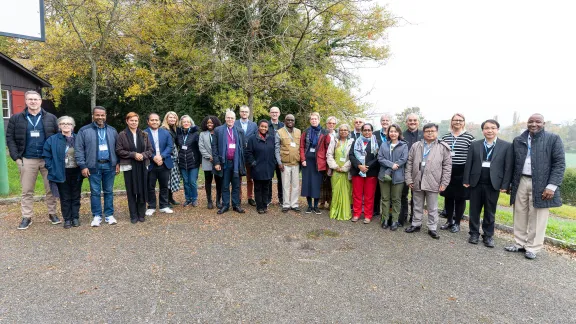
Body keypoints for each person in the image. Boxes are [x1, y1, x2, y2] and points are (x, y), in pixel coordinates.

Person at [505, 114, 565, 259]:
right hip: (521, 180)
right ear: (527, 123)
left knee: (538, 215)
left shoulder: (553, 139)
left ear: (543, 123)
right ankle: (519, 243)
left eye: (537, 122)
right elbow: (512, 163)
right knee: (519, 212)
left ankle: (533, 247)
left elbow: (559, 164)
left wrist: (551, 186)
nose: (534, 124)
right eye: (531, 121)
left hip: (542, 183)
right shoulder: (519, 140)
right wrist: (510, 183)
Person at [6, 90, 60, 230]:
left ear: (40, 101)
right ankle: (27, 217)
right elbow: (10, 138)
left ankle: (52, 214)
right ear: (26, 101)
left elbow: (58, 137)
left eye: (36, 99)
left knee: (50, 189)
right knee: (27, 190)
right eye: (30, 99)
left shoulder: (51, 118)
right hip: (27, 159)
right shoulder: (16, 118)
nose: (33, 102)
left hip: (47, 160)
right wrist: (16, 157)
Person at [463, 119, 513, 247]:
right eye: (486, 128)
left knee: (490, 211)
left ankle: (488, 235)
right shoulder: (475, 144)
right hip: (476, 182)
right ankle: (474, 233)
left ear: (497, 130)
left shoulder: (506, 146)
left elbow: (508, 167)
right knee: (474, 210)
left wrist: (505, 185)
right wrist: (466, 179)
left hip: (493, 184)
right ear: (483, 130)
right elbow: (469, 163)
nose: (489, 130)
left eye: (492, 128)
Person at [404, 123, 452, 239]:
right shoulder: (416, 146)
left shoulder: (443, 147)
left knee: (432, 207)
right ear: (423, 133)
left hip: (434, 181)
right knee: (417, 205)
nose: (430, 133)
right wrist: (409, 179)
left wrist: (444, 183)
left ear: (437, 132)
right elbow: (409, 163)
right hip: (417, 180)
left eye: (432, 131)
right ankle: (416, 224)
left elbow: (447, 166)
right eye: (427, 131)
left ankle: (432, 228)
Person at [75, 106, 120, 227]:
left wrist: (118, 163)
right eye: (97, 115)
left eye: (102, 115)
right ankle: (97, 216)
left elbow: (118, 148)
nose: (100, 117)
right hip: (93, 166)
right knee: (95, 192)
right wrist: (83, 166)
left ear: (105, 116)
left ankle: (109, 215)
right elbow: (79, 150)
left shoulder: (112, 130)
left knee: (109, 191)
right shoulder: (84, 131)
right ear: (93, 116)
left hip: (109, 166)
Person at [42, 116, 83, 229]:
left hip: (76, 171)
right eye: (63, 123)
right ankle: (67, 219)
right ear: (59, 126)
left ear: (73, 126)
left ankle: (75, 217)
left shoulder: (78, 138)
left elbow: (84, 152)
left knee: (75, 196)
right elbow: (47, 155)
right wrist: (51, 168)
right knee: (65, 197)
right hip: (60, 172)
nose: (66, 125)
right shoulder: (52, 140)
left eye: (69, 124)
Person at [439, 113, 475, 233]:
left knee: (460, 198)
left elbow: (472, 157)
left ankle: (457, 223)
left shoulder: (469, 138)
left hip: (462, 171)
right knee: (448, 197)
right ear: (451, 122)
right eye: (455, 120)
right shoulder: (445, 137)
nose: (457, 122)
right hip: (447, 170)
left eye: (460, 120)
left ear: (464, 122)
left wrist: (469, 176)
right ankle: (449, 221)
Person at [116, 112, 153, 223]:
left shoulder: (144, 134)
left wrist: (143, 155)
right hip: (129, 166)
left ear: (138, 121)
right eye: (131, 120)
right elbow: (119, 150)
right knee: (131, 191)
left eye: (136, 120)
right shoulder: (122, 134)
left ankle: (141, 214)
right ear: (127, 121)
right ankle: (133, 215)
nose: (134, 122)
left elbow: (150, 150)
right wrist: (133, 154)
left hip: (142, 165)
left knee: (142, 189)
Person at [212, 110, 247, 214]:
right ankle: (225, 205)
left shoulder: (240, 131)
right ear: (225, 118)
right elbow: (214, 147)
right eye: (228, 117)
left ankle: (236, 205)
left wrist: (242, 162)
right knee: (225, 185)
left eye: (232, 118)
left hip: (236, 164)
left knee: (236, 185)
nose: (230, 120)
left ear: (235, 119)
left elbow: (243, 149)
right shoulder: (218, 130)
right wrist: (216, 162)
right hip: (224, 163)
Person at [377, 124, 408, 231]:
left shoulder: (404, 145)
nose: (393, 133)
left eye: (395, 131)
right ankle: (385, 219)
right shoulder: (384, 145)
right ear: (388, 133)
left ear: (399, 133)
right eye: (391, 131)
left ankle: (394, 220)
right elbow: (380, 158)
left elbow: (404, 159)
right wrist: (391, 165)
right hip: (384, 176)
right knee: (385, 199)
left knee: (396, 199)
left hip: (398, 176)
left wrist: (395, 165)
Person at [349, 123, 381, 224]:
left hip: (370, 172)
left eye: (369, 130)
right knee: (357, 194)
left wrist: (368, 166)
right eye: (365, 130)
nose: (367, 132)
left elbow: (378, 157)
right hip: (357, 171)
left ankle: (368, 215)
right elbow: (351, 155)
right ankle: (357, 213)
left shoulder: (377, 142)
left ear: (372, 131)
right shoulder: (356, 141)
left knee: (369, 195)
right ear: (362, 131)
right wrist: (359, 165)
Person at [300, 112, 331, 214]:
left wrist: (327, 163)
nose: (313, 120)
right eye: (312, 119)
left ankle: (316, 206)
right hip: (307, 162)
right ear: (310, 120)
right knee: (308, 183)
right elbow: (301, 146)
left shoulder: (324, 132)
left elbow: (327, 148)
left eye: (315, 119)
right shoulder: (306, 131)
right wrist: (303, 159)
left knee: (317, 184)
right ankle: (309, 206)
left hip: (319, 162)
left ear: (319, 120)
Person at [145, 113, 174, 216]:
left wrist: (161, 157)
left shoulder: (165, 133)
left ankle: (164, 205)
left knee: (164, 186)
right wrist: (153, 157)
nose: (154, 122)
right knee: (150, 186)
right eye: (152, 120)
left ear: (159, 121)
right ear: (148, 122)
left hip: (164, 163)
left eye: (156, 120)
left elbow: (170, 147)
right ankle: (151, 206)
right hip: (151, 164)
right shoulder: (143, 133)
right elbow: (143, 148)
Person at [245, 120, 278, 213]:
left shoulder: (271, 138)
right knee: (258, 188)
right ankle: (259, 206)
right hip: (257, 167)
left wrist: (273, 162)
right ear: (258, 127)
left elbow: (275, 152)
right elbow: (248, 152)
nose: (264, 128)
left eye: (265, 127)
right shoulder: (252, 139)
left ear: (268, 128)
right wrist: (253, 162)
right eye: (262, 126)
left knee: (266, 187)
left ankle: (265, 205)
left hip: (268, 167)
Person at [326, 124, 353, 221]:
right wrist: (335, 167)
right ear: (338, 131)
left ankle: (345, 212)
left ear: (348, 132)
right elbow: (329, 154)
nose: (343, 131)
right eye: (341, 130)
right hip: (336, 171)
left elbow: (353, 156)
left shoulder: (352, 142)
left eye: (345, 130)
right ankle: (335, 212)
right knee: (336, 191)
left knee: (347, 192)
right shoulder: (334, 141)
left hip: (346, 171)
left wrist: (344, 168)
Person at [400, 113, 423, 226]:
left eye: (415, 120)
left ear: (418, 122)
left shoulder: (424, 135)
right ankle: (402, 216)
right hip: (404, 170)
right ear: (406, 122)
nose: (412, 122)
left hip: (419, 171)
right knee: (403, 194)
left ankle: (414, 218)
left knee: (417, 196)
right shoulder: (402, 135)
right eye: (410, 120)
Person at [275, 114, 302, 213]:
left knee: (295, 185)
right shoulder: (279, 132)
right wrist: (279, 162)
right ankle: (286, 204)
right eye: (288, 120)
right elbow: (277, 149)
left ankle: (294, 204)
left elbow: (301, 147)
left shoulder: (299, 132)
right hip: (285, 164)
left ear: (294, 121)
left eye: (292, 120)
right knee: (285, 185)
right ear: (284, 121)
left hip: (296, 163)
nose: (290, 121)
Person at [235, 105, 258, 206]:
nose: (244, 113)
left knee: (250, 178)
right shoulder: (234, 123)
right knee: (238, 177)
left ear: (249, 113)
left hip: (250, 154)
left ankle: (250, 197)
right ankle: (238, 197)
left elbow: (256, 138)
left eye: (246, 112)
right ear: (239, 113)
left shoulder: (254, 125)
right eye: (242, 111)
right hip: (238, 154)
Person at [176, 115, 201, 207]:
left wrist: (200, 161)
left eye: (188, 122)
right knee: (186, 182)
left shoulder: (195, 134)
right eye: (184, 122)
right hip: (182, 162)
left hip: (193, 162)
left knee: (192, 182)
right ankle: (188, 199)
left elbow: (199, 148)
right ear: (181, 124)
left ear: (191, 123)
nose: (186, 123)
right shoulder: (178, 134)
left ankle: (194, 198)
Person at [199, 116, 223, 209]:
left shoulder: (219, 133)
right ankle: (209, 201)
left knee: (219, 181)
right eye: (208, 123)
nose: (210, 124)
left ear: (215, 123)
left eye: (212, 122)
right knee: (208, 181)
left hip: (218, 161)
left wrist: (216, 158)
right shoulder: (202, 134)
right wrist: (209, 156)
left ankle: (218, 201)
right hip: (207, 161)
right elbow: (201, 147)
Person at [374, 113, 392, 220]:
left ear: (390, 122)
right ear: (380, 122)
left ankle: (388, 212)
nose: (385, 122)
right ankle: (376, 210)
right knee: (377, 189)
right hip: (377, 165)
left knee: (389, 191)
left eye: (387, 120)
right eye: (383, 120)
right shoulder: (375, 134)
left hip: (391, 166)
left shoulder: (394, 133)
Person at [161, 111, 181, 206]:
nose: (172, 119)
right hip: (167, 157)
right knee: (166, 180)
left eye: (174, 117)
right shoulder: (163, 129)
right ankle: (165, 201)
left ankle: (170, 198)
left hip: (174, 156)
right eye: (170, 117)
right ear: (166, 118)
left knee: (172, 178)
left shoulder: (174, 129)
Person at [319, 116, 338, 209]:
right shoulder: (323, 134)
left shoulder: (337, 135)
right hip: (324, 160)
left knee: (331, 182)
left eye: (333, 123)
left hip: (335, 161)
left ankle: (331, 201)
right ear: (327, 124)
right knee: (323, 182)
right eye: (330, 123)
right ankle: (322, 201)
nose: (331, 125)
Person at [267, 106, 285, 205]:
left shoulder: (283, 125)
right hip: (268, 156)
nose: (274, 114)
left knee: (281, 179)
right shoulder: (266, 125)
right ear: (270, 113)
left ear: (279, 113)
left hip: (280, 157)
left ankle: (281, 199)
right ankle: (268, 198)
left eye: (276, 112)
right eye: (272, 112)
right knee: (268, 178)